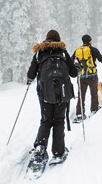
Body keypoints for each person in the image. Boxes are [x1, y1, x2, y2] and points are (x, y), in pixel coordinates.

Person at [27, 30, 78, 163]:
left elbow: (30, 75)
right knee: (59, 120)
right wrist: (76, 66)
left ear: (46, 39)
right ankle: (58, 152)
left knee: (46, 120)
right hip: (62, 93)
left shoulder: (39, 53)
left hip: (45, 93)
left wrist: (30, 78)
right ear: (58, 39)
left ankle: (40, 147)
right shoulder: (63, 52)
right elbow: (73, 73)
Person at [71, 34, 102, 122]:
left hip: (81, 77)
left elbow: (71, 62)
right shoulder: (93, 50)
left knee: (81, 96)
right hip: (92, 76)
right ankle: (94, 110)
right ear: (90, 41)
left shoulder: (77, 51)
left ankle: (79, 114)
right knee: (94, 94)